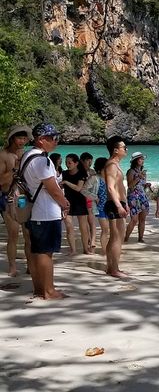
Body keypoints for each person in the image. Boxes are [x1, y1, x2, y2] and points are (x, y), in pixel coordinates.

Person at [20, 122, 69, 299]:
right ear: (41, 140)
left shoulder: (27, 156)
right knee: (45, 252)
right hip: (45, 212)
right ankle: (49, 290)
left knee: (36, 250)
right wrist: (64, 203)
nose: (56, 141)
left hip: (33, 211)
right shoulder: (42, 160)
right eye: (52, 138)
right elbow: (52, 188)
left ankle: (39, 288)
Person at [0, 124, 32, 276]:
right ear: (12, 138)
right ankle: (12, 266)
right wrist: (15, 169)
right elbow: (0, 181)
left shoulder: (25, 153)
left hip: (24, 198)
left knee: (28, 234)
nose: (22, 141)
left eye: (25, 138)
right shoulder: (3, 155)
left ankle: (29, 265)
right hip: (8, 197)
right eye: (20, 138)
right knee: (13, 234)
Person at [103, 136, 129, 278]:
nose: (126, 150)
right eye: (124, 147)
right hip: (114, 203)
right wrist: (119, 205)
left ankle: (110, 266)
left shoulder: (115, 164)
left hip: (118, 202)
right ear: (115, 150)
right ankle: (114, 268)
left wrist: (125, 203)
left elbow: (119, 188)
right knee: (117, 237)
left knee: (115, 237)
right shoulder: (112, 165)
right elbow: (111, 188)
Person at [60, 154, 92, 255]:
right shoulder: (64, 173)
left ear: (76, 163)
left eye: (69, 162)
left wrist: (66, 182)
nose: (67, 164)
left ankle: (86, 249)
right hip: (67, 202)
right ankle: (73, 250)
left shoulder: (81, 174)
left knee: (83, 227)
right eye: (66, 162)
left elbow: (79, 188)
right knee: (69, 227)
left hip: (80, 202)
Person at [83, 157, 110, 257]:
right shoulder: (94, 178)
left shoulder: (109, 177)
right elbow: (84, 190)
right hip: (100, 207)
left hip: (110, 206)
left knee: (110, 230)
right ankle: (104, 251)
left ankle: (107, 249)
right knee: (105, 229)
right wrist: (95, 197)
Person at [124, 152, 151, 243]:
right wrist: (138, 177)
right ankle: (126, 237)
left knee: (142, 219)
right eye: (140, 159)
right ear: (135, 160)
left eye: (143, 159)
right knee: (134, 219)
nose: (142, 160)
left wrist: (146, 185)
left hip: (142, 196)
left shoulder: (143, 172)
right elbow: (130, 185)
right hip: (133, 197)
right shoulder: (131, 171)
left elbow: (141, 186)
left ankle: (140, 238)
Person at [80, 152, 97, 251]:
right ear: (82, 161)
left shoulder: (92, 172)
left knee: (91, 220)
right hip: (81, 198)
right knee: (84, 222)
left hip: (90, 197)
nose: (90, 163)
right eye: (87, 161)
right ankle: (88, 239)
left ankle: (93, 240)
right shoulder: (78, 171)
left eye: (91, 161)